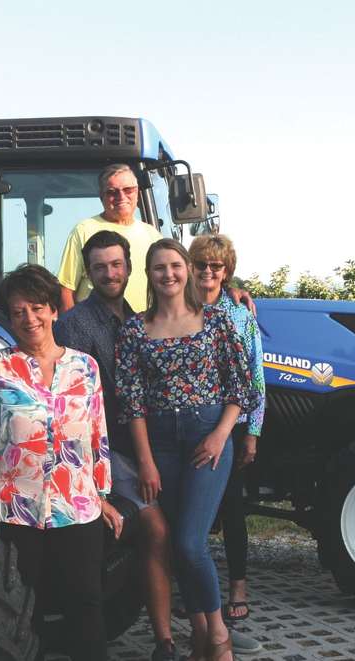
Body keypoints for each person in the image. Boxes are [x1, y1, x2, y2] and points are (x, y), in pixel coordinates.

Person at [0, 264, 123, 661]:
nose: (29, 319)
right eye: (19, 312)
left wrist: (100, 493)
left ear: (53, 310)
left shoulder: (84, 366)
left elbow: (98, 433)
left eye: (37, 308)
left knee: (86, 605)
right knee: (21, 614)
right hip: (15, 507)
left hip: (77, 506)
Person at [116, 238, 257, 661]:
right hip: (160, 446)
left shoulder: (216, 320)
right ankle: (200, 637)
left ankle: (217, 635)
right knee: (176, 543)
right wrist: (145, 462)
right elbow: (132, 403)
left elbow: (241, 386)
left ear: (187, 270)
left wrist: (220, 435)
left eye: (176, 265)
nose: (169, 274)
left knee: (192, 542)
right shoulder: (135, 330)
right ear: (149, 275)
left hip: (207, 438)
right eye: (159, 268)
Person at [53, 230, 178, 661]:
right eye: (100, 267)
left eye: (117, 264)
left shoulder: (140, 318)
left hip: (148, 441)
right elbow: (74, 404)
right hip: (107, 450)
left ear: (129, 267)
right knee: (156, 529)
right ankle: (163, 640)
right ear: (87, 273)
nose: (110, 273)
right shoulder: (74, 325)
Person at [189, 235, 265, 630]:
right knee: (190, 511)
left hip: (230, 426)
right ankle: (195, 590)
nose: (206, 272)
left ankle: (238, 586)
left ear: (226, 272)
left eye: (215, 267)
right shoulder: (180, 308)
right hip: (190, 422)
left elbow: (255, 375)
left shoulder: (239, 315)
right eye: (200, 264)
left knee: (232, 508)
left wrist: (252, 430)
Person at [57, 163, 163, 313]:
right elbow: (66, 290)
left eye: (128, 190)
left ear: (137, 193)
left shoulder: (153, 235)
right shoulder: (84, 231)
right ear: (102, 197)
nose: (121, 197)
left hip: (142, 331)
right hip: (96, 330)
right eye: (112, 192)